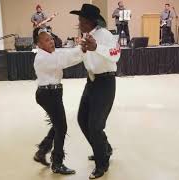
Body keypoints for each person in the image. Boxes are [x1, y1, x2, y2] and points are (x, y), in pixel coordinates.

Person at [70, 4, 121, 179]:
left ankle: (102, 163)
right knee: (82, 119)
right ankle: (104, 149)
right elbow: (84, 57)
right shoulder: (86, 36)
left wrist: (96, 47)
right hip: (91, 81)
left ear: (92, 21)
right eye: (79, 20)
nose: (79, 24)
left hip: (105, 82)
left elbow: (116, 54)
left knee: (95, 125)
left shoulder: (105, 35)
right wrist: (82, 50)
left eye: (82, 21)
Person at [33, 29, 85, 175]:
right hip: (48, 94)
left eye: (51, 39)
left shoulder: (51, 53)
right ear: (39, 44)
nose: (51, 42)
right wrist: (84, 51)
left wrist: (80, 48)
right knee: (61, 127)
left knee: (58, 125)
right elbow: (65, 61)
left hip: (53, 93)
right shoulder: (42, 58)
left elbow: (66, 54)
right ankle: (57, 163)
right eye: (47, 40)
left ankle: (42, 152)